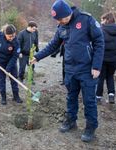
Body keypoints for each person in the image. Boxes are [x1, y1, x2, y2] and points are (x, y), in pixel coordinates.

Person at [30, 0, 104, 142]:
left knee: (89, 100)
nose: (60, 22)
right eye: (57, 20)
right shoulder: (61, 27)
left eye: (61, 19)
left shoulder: (86, 19)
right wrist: (37, 57)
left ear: (68, 13)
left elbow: (99, 41)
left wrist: (96, 66)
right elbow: (53, 45)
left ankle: (91, 127)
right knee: (71, 97)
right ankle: (71, 121)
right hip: (70, 69)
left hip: (87, 69)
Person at [96, 12, 116, 104]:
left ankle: (98, 97)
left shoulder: (101, 30)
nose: (101, 21)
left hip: (103, 58)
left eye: (102, 19)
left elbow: (97, 45)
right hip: (115, 59)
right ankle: (111, 95)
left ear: (107, 19)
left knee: (101, 77)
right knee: (110, 76)